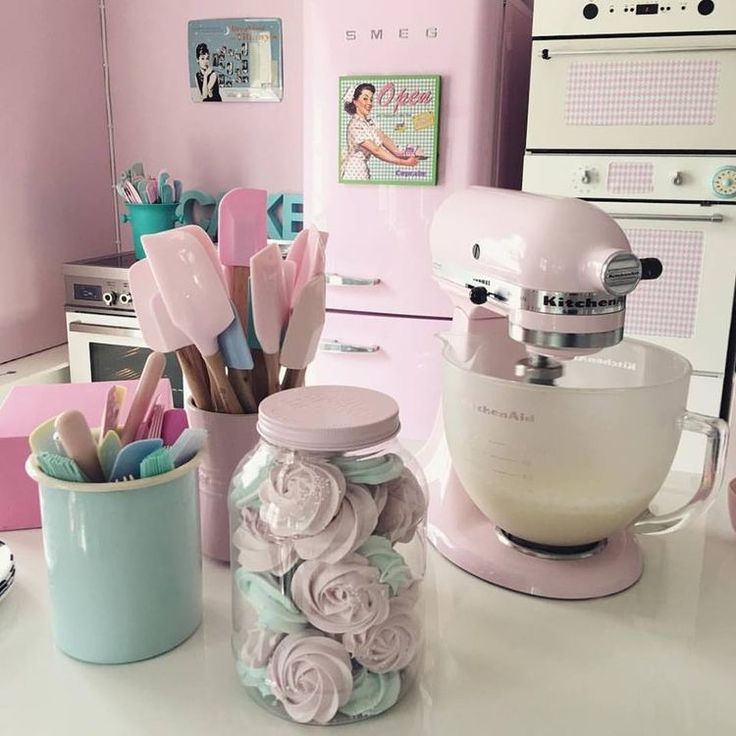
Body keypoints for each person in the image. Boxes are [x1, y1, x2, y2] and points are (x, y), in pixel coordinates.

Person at [341, 83, 419, 181]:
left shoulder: (369, 123)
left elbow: (384, 138)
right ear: (355, 101)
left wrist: (402, 154)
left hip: (362, 169)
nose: (369, 103)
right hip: (354, 170)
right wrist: (404, 162)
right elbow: (376, 150)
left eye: (371, 99)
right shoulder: (355, 126)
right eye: (365, 99)